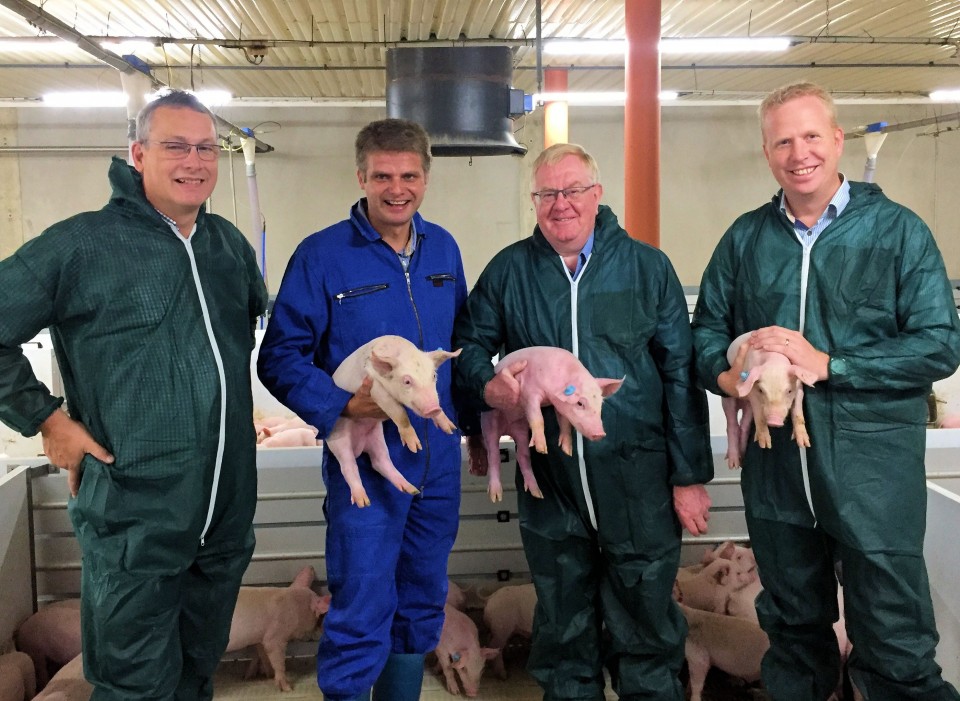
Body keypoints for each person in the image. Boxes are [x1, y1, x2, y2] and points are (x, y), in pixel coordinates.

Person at [691, 82, 960, 700]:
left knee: (893, 637)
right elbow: (707, 329)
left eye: (811, 135)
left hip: (874, 473)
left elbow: (939, 344)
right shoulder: (746, 239)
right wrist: (726, 374)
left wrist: (831, 364)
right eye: (782, 140)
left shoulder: (898, 232)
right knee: (790, 631)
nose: (798, 152)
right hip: (778, 472)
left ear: (838, 140)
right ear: (766, 151)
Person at [0, 89, 268, 700]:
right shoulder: (82, 245)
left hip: (223, 513)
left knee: (199, 671)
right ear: (137, 154)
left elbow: (254, 349)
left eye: (206, 147)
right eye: (176, 146)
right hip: (134, 513)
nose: (194, 161)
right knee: (133, 685)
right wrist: (47, 419)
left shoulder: (226, 245)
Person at [453, 142, 713, 699]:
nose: (561, 204)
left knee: (646, 620)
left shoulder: (647, 267)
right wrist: (486, 379)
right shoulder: (509, 270)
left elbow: (680, 374)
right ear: (534, 201)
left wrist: (689, 477)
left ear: (597, 196)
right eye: (548, 194)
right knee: (563, 622)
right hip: (552, 483)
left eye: (572, 191)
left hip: (637, 474)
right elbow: (469, 344)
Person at [257, 118, 467, 701]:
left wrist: (477, 422)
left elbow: (458, 347)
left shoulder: (444, 248)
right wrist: (341, 402)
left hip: (436, 458)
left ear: (426, 176)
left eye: (409, 175)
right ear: (361, 177)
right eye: (382, 176)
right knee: (363, 594)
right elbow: (279, 356)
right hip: (366, 459)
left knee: (423, 591)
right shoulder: (322, 255)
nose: (396, 188)